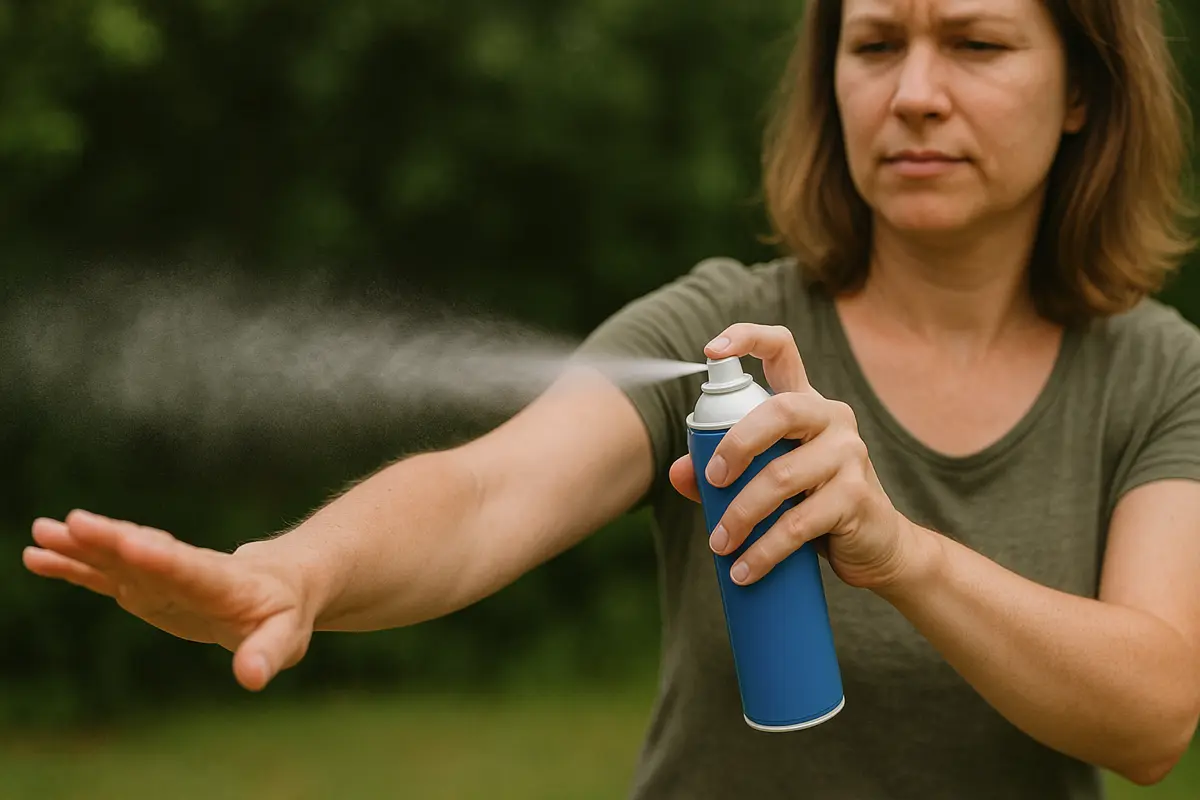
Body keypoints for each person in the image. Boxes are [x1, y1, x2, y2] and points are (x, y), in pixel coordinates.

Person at [22, 0, 1200, 796]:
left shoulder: (1157, 374)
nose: (915, 94)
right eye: (876, 43)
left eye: (980, 45)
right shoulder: (719, 337)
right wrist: (300, 569)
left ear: (1085, 91)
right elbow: (486, 489)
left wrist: (903, 554)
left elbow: (1153, 714)